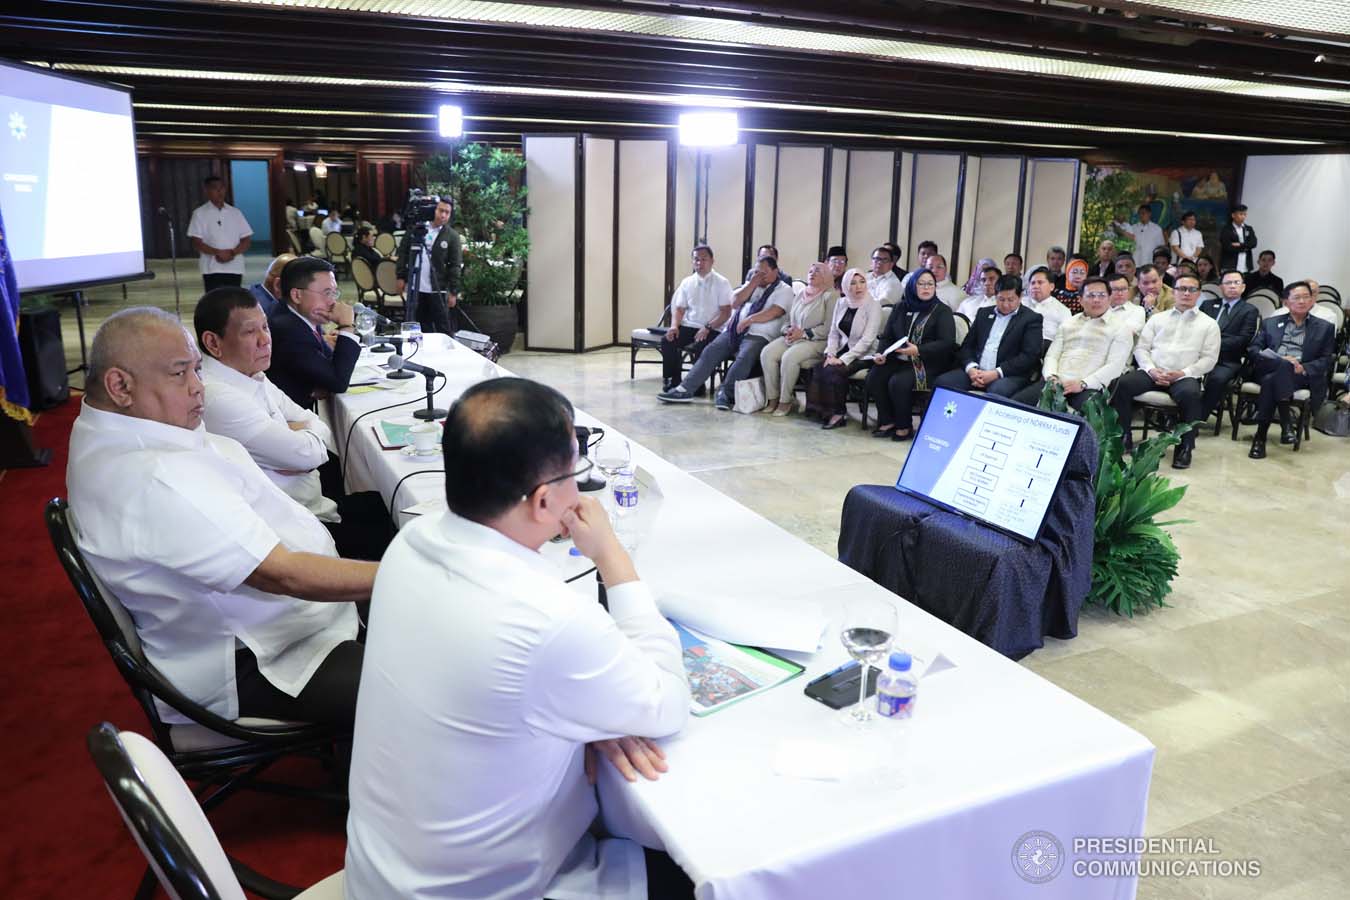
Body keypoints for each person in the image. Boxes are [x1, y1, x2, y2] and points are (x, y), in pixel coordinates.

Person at [344, 378, 689, 900]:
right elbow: (667, 703)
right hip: (485, 890)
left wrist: (584, 712)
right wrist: (612, 555)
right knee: (701, 869)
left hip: (382, 873)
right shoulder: (545, 618)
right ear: (545, 500)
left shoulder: (411, 542)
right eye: (576, 473)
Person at [67, 307, 373, 727]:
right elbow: (283, 575)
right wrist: (401, 575)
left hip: (270, 624)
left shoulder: (111, 426)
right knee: (431, 684)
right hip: (258, 655)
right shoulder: (154, 475)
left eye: (197, 370)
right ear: (120, 385)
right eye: (180, 374)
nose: (200, 389)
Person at [196, 287, 336, 523]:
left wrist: (299, 433)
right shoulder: (218, 397)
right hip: (293, 526)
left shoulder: (251, 371)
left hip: (313, 506)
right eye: (250, 332)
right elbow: (307, 456)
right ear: (213, 343)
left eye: (265, 327)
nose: (265, 340)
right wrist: (299, 436)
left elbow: (315, 424)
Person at [1111, 273, 1220, 469]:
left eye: (1191, 289)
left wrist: (1183, 373)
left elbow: (1209, 359)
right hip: (1153, 371)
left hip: (1184, 376)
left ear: (1199, 294)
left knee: (1191, 395)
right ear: (1174, 291)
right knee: (1122, 384)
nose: (1186, 293)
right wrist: (1151, 369)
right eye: (1181, 289)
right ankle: (1123, 437)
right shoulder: (1157, 319)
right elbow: (1141, 348)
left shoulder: (1209, 324)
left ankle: (1185, 447)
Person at [658, 256, 791, 409]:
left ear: (775, 271)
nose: (760, 275)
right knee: (710, 351)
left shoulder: (784, 289)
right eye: (757, 271)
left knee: (744, 357)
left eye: (764, 272)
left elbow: (774, 312)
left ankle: (725, 393)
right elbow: (734, 302)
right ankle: (684, 390)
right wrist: (752, 284)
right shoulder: (752, 284)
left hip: (759, 334)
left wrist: (749, 320)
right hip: (734, 330)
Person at [1012, 277, 1132, 411]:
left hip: (1088, 387)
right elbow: (1052, 355)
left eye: (1102, 295)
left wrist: (1083, 384)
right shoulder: (1068, 323)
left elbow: (1114, 366)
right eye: (1091, 295)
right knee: (1014, 405)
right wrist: (1051, 376)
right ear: (1080, 300)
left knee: (1090, 418)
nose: (1096, 300)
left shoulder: (1121, 328)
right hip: (1055, 383)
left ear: (1110, 299)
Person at [1246, 281, 1336, 458]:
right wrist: (1278, 360)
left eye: (1306, 297)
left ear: (1312, 301)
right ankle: (1286, 423)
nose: (1302, 301)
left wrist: (1303, 367)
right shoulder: (1270, 323)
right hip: (1269, 368)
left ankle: (1260, 437)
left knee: (1271, 380)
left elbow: (1327, 360)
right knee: (1281, 366)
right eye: (1297, 297)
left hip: (1299, 375)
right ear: (1286, 301)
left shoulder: (1325, 327)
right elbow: (1253, 349)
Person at [864, 269, 956, 441]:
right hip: (899, 358)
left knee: (898, 382)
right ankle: (887, 421)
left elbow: (947, 342)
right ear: (913, 286)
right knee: (874, 377)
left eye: (930, 284)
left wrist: (919, 350)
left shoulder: (941, 311)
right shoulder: (901, 307)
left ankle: (904, 426)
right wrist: (881, 353)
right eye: (921, 284)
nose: (926, 288)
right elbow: (888, 336)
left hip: (927, 362)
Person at [266, 258, 360, 409]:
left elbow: (329, 362)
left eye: (334, 293)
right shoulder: (289, 330)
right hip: (290, 419)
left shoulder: (296, 315)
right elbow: (338, 382)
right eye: (327, 293)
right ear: (296, 295)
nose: (332, 302)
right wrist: (347, 325)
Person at [934, 274, 1043, 398]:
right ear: (995, 296)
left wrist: (996, 373)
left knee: (997, 392)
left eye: (1011, 300)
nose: (1006, 304)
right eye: (1001, 299)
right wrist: (971, 368)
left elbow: (1029, 356)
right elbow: (967, 346)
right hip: (976, 371)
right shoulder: (983, 314)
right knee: (942, 383)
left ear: (1020, 297)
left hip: (1008, 374)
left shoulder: (1031, 319)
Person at [807, 267, 882, 429]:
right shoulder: (841, 302)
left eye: (862, 282)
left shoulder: (873, 305)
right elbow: (834, 332)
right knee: (819, 367)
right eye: (853, 283)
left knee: (834, 371)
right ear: (846, 286)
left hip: (864, 354)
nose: (858, 287)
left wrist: (842, 359)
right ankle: (822, 411)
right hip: (843, 348)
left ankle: (839, 414)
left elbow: (867, 340)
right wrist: (830, 354)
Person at [760, 261, 836, 415]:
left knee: (789, 357)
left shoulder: (831, 296)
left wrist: (803, 333)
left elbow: (829, 328)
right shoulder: (801, 294)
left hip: (818, 341)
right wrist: (787, 330)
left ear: (826, 276)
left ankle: (785, 401)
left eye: (817, 271)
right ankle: (772, 398)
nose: (812, 274)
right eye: (810, 271)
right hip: (794, 338)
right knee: (767, 353)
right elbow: (788, 319)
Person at [660, 244, 732, 391]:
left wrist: (708, 327)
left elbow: (726, 312)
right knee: (668, 340)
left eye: (704, 259)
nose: (699, 263)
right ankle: (673, 381)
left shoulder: (722, 282)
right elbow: (679, 309)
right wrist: (674, 326)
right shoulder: (687, 282)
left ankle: (696, 385)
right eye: (696, 260)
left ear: (712, 261)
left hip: (713, 328)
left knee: (701, 346)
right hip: (690, 325)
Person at [395, 197, 464, 335]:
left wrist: (453, 291)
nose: (443, 215)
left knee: (442, 326)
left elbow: (455, 266)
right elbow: (403, 253)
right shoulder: (416, 229)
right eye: (440, 210)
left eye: (447, 212)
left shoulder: (452, 236)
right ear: (434, 210)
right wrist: (400, 276)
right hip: (415, 287)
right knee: (417, 325)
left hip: (438, 288)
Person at [1198, 269, 1260, 422]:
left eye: (1236, 283)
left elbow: (1243, 339)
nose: (1232, 286)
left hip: (1226, 360)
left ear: (1243, 287)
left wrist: (1212, 344)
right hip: (1197, 355)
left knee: (1216, 379)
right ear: (1221, 287)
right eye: (1228, 283)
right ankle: (1178, 414)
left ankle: (1197, 419)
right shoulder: (1207, 305)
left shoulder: (1249, 310)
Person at [187, 175, 252, 292]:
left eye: (222, 188)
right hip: (212, 267)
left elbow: (246, 239)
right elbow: (196, 242)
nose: (219, 191)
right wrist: (218, 253)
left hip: (234, 266)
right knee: (215, 301)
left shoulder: (235, 213)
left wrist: (232, 253)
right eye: (214, 188)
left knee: (234, 300)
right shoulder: (199, 213)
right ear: (206, 190)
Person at [1022, 268, 1072, 344]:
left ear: (1051, 286)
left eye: (1040, 282)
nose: (1035, 286)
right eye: (1032, 283)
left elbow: (1066, 340)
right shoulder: (1020, 304)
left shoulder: (1062, 310)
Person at [1103, 272, 1146, 336]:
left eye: (1124, 289)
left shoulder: (1138, 310)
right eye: (1115, 289)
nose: (1120, 293)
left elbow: (1126, 334)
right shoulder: (1099, 309)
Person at [1218, 204, 1258, 273]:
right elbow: (1227, 247)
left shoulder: (1248, 228)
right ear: (1233, 215)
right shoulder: (1226, 229)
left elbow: (1253, 243)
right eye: (1241, 214)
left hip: (1245, 266)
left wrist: (1240, 244)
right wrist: (1246, 247)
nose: (1243, 217)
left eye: (1245, 214)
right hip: (1230, 265)